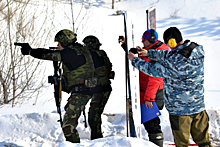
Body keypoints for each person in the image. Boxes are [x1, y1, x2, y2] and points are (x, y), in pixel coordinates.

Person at [19, 29, 113, 143]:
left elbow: (50, 55)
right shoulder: (78, 50)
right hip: (85, 90)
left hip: (82, 92)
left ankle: (76, 145)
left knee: (68, 126)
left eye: (59, 43)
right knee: (91, 119)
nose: (58, 46)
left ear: (65, 41)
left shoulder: (71, 53)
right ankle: (95, 143)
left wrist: (30, 51)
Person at [128, 27, 212, 147]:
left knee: (181, 144)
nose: (168, 46)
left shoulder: (174, 62)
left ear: (172, 41)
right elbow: (171, 54)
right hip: (198, 107)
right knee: (205, 143)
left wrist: (134, 60)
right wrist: (148, 53)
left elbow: (152, 70)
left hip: (180, 112)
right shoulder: (196, 50)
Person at [119, 29, 169, 147]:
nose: (142, 43)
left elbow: (155, 78)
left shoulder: (158, 52)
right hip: (147, 91)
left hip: (153, 92)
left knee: (151, 122)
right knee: (149, 121)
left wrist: (149, 98)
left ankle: (157, 144)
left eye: (144, 41)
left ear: (150, 40)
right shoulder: (152, 50)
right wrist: (127, 46)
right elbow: (143, 60)